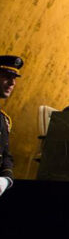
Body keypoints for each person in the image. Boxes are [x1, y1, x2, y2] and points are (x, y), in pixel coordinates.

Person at [0, 55, 23, 197]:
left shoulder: (4, 119)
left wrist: (6, 180)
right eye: (7, 77)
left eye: (14, 79)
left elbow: (6, 155)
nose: (12, 83)